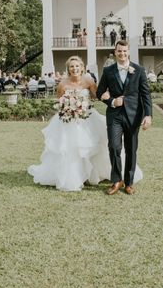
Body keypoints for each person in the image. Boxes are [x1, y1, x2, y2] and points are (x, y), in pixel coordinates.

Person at [28, 56, 142, 191]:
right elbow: (59, 100)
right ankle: (75, 176)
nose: (75, 68)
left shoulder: (88, 81)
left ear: (82, 68)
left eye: (77, 66)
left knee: (92, 145)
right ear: (68, 69)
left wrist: (107, 95)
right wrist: (67, 107)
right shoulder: (62, 84)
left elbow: (96, 95)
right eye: (72, 66)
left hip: (87, 117)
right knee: (71, 149)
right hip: (69, 121)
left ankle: (96, 175)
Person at [97, 40, 152, 195]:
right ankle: (116, 180)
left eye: (124, 51)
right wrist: (112, 101)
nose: (122, 54)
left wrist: (148, 115)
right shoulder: (108, 71)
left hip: (134, 115)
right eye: (119, 51)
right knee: (114, 147)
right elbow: (99, 92)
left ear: (128, 52)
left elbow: (145, 94)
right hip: (114, 116)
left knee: (131, 149)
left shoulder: (139, 70)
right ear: (115, 52)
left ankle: (128, 182)